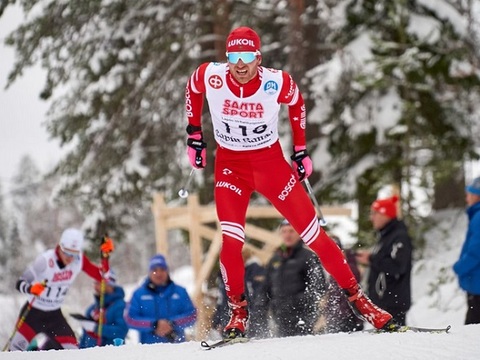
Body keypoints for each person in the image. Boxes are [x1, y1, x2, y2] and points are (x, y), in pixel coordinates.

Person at [185, 25, 394, 339]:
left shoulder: (276, 81)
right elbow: (193, 88)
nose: (239, 64)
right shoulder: (211, 76)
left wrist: (300, 149)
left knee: (315, 236)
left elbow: (297, 103)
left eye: (246, 56)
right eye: (233, 55)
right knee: (231, 240)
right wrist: (194, 136)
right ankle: (238, 312)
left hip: (271, 167)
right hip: (231, 169)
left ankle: (360, 301)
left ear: (258, 57)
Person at [8, 228, 114, 351]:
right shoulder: (45, 261)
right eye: (67, 253)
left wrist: (105, 258)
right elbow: (20, 283)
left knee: (73, 351)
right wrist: (31, 289)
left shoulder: (79, 260)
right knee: (14, 351)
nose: (70, 258)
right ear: (59, 247)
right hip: (33, 313)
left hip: (54, 316)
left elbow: (102, 277)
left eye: (74, 254)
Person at [253, 219, 327, 337]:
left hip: (303, 317)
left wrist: (300, 303)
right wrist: (259, 309)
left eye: (291, 231)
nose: (287, 235)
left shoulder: (308, 257)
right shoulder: (276, 258)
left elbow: (319, 287)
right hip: (280, 316)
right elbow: (265, 287)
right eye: (284, 231)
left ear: (299, 234)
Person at [356, 195, 413, 326]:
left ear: (384, 214)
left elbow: (398, 266)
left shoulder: (399, 237)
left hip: (393, 305)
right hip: (383, 304)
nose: (371, 218)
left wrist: (371, 259)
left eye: (374, 213)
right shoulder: (385, 236)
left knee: (393, 343)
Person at [125, 254, 197, 344]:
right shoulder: (138, 294)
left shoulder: (180, 292)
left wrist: (173, 323)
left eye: (162, 270)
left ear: (167, 271)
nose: (158, 274)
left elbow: (192, 315)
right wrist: (153, 324)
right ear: (149, 273)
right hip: (148, 350)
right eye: (155, 270)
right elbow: (130, 319)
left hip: (177, 348)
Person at [211, 247, 265, 337]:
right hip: (228, 320)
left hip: (247, 320)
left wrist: (255, 319)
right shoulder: (225, 274)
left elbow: (258, 297)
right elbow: (222, 300)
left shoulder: (253, 270)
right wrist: (217, 319)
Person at [323, 235, 364, 333]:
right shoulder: (336, 267)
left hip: (347, 319)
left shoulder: (349, 268)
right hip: (338, 317)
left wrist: (339, 315)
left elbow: (348, 294)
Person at [78, 270, 128, 348]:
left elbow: (121, 331)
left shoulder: (120, 306)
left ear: (109, 285)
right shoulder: (92, 309)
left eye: (99, 283)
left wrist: (97, 328)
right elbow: (85, 337)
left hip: (111, 353)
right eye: (95, 283)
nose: (95, 287)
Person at [453, 176, 480, 324]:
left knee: (472, 331)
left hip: (477, 287)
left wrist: (459, 267)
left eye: (469, 193)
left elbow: (476, 251)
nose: (466, 197)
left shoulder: (479, 217)